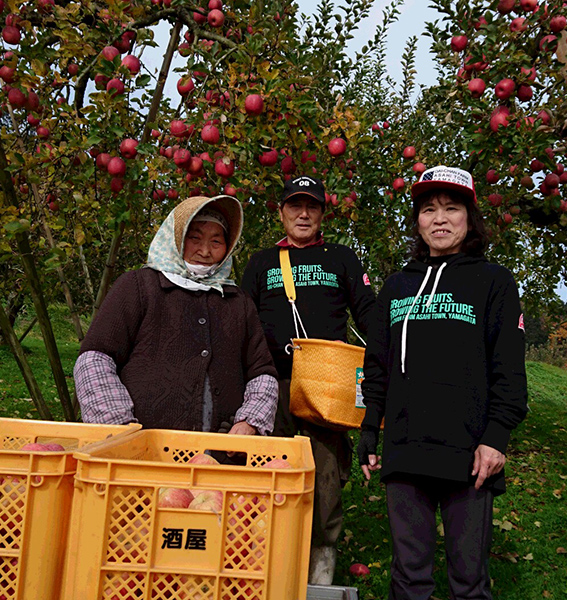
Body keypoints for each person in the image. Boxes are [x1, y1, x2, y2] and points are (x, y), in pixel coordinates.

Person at [357, 166, 528, 600]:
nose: (440, 218)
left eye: (452, 208)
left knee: (468, 581)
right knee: (409, 579)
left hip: (468, 455)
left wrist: (496, 438)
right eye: (429, 209)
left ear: (469, 218)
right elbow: (375, 366)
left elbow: (508, 369)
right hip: (406, 448)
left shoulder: (494, 283)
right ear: (417, 220)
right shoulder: (396, 287)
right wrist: (368, 431)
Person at [242, 175, 376, 585]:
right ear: (280, 212)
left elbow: (369, 317)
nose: (303, 214)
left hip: (326, 391)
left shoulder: (341, 259)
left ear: (322, 214)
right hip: (271, 388)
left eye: (312, 207)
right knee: (267, 476)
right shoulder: (261, 262)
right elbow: (242, 323)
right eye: (295, 206)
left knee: (324, 477)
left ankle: (319, 575)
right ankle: (264, 566)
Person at [74, 194, 278, 438]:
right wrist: (119, 426)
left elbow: (262, 373)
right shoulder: (140, 287)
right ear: (177, 237)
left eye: (216, 241)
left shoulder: (237, 301)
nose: (204, 251)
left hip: (219, 456)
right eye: (195, 238)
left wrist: (249, 422)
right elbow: (94, 359)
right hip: (141, 452)